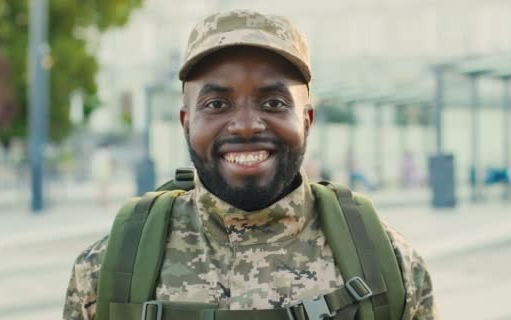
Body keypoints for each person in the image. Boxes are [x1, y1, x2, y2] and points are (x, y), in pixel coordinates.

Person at [63, 10, 437, 320]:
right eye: (216, 104)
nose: (245, 125)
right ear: (186, 122)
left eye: (273, 103)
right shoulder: (107, 270)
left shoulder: (389, 264)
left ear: (306, 120)